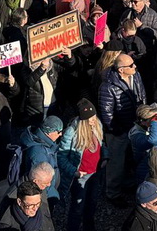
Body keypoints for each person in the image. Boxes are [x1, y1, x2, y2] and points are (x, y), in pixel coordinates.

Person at [97, 52, 147, 204]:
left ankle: (127, 183)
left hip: (135, 125)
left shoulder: (135, 76)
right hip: (119, 130)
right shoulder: (107, 86)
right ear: (121, 70)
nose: (135, 66)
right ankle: (113, 193)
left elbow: (142, 94)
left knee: (130, 158)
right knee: (116, 163)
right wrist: (116, 130)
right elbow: (106, 113)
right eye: (131, 65)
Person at [58, 98, 103, 231]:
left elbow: (102, 144)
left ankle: (89, 227)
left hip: (95, 173)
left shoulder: (97, 125)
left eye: (94, 116)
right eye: (89, 119)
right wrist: (74, 171)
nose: (93, 120)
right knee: (78, 207)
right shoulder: (72, 133)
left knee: (92, 203)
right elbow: (61, 157)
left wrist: (105, 156)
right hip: (81, 175)